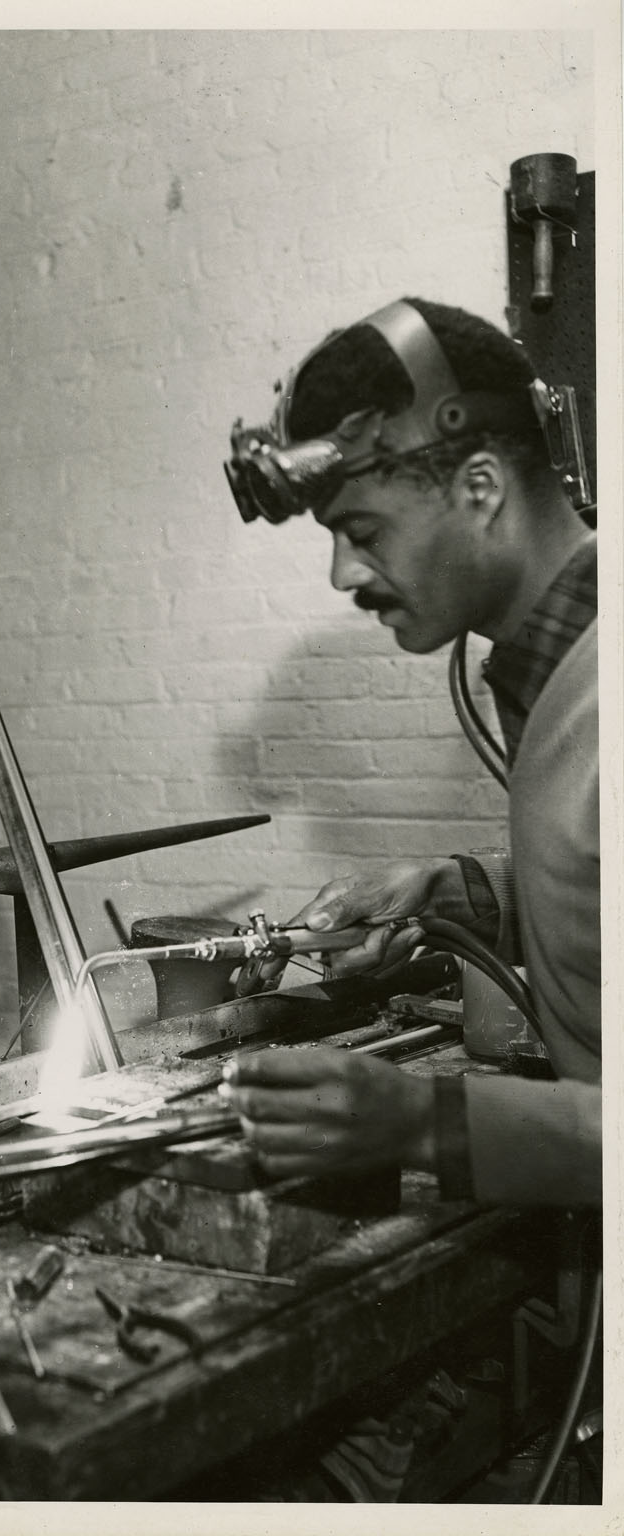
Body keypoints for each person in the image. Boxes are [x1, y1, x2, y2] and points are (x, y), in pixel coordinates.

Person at [219, 297, 599, 1206]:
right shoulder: (556, 672)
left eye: (362, 533)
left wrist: (426, 1124)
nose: (343, 574)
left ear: (480, 488)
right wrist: (450, 892)